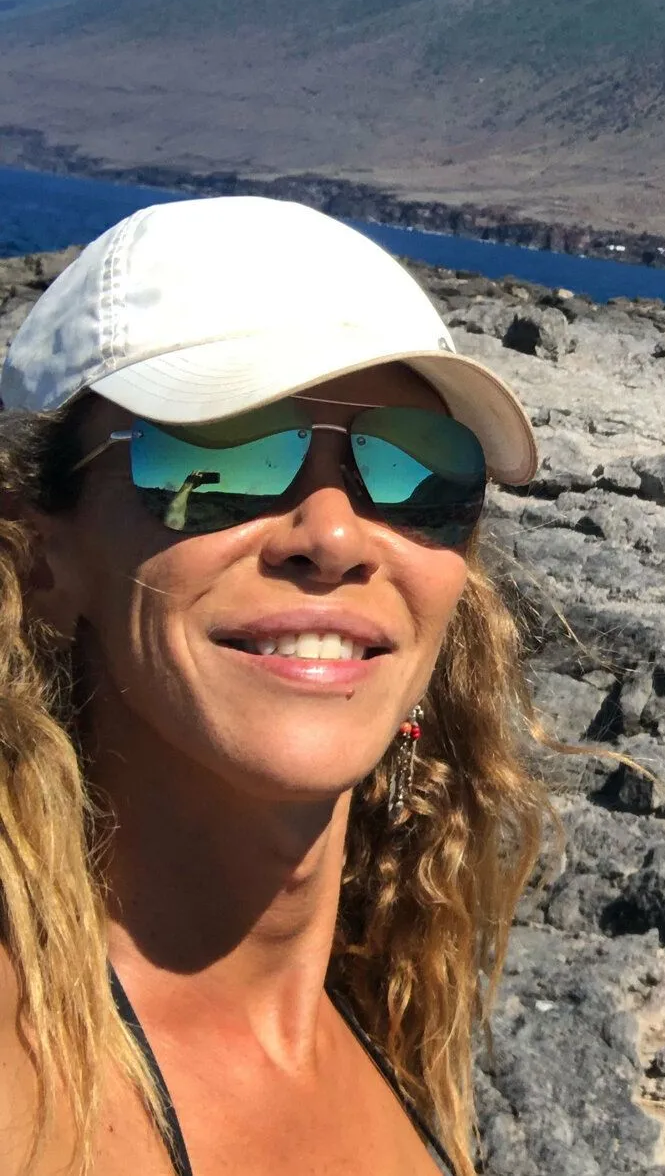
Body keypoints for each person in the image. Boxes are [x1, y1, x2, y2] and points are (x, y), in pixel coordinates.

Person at [0, 196, 557, 1176]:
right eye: (221, 456)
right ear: (44, 556)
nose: (334, 535)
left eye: (419, 471)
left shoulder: (402, 1029)